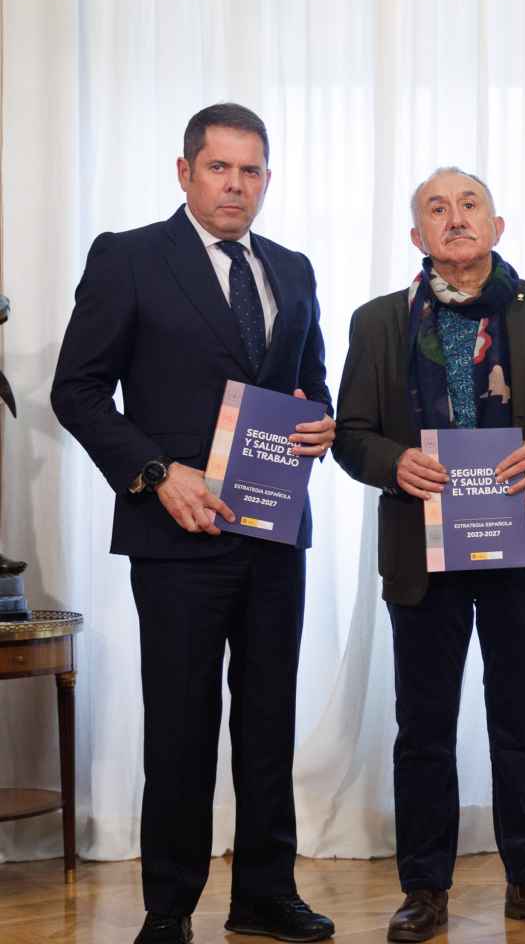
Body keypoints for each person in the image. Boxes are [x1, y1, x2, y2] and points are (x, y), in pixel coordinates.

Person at [50, 103, 337, 944]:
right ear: (185, 172)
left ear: (267, 181)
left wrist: (319, 420)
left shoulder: (293, 267)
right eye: (220, 168)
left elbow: (309, 384)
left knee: (268, 718)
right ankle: (168, 909)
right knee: (179, 725)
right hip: (176, 534)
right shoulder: (131, 257)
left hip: (275, 530)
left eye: (251, 172)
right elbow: (77, 390)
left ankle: (264, 895)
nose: (235, 186)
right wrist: (153, 472)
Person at [331, 167, 525, 941]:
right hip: (422, 549)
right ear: (417, 237)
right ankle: (424, 889)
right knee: (424, 727)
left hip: (519, 545)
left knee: (520, 721)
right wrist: (391, 464)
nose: (454, 219)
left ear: (497, 225)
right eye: (436, 211)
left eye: (468, 205)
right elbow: (350, 435)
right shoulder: (378, 322)